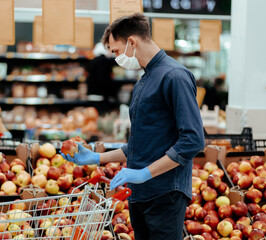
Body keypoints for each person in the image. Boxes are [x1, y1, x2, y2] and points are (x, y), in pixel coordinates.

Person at [61, 13, 205, 240]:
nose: (115, 57)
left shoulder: (174, 76)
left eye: (116, 51)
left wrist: (145, 173)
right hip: (140, 195)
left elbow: (192, 141)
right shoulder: (144, 80)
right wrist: (97, 158)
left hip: (165, 195)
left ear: (131, 42)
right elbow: (140, 144)